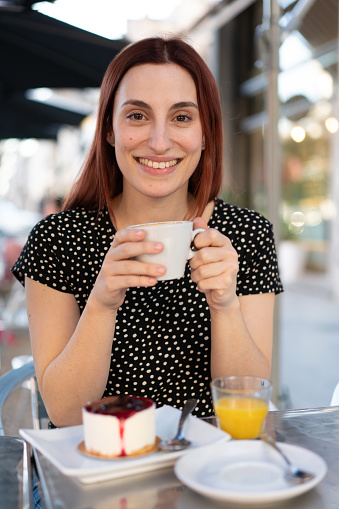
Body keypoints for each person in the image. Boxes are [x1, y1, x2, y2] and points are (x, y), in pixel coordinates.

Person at [12, 35, 283, 427]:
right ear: (109, 130)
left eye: (182, 117)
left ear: (206, 133)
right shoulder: (57, 239)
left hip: (208, 467)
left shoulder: (246, 235)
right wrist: (102, 302)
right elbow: (67, 415)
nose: (159, 142)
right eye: (137, 115)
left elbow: (245, 402)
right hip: (99, 467)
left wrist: (225, 305)